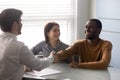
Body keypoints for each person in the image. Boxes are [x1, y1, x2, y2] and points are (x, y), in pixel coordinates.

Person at [0, 8, 55, 80]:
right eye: (20, 21)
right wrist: (51, 57)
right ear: (15, 24)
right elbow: (38, 65)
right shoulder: (18, 47)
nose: (21, 24)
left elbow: (6, 65)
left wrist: (23, 66)